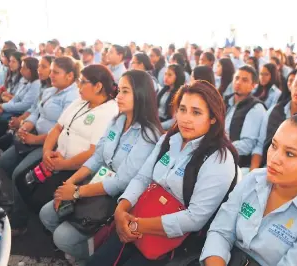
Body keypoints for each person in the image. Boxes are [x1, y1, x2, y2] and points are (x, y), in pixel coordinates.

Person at [86, 80, 238, 266]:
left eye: (196, 112)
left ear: (213, 118)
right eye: (182, 109)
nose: (186, 118)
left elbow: (194, 218)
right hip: (140, 216)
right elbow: (143, 177)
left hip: (172, 241)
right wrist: (121, 209)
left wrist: (137, 224)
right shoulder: (170, 139)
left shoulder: (219, 160)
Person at [39, 70, 163, 264]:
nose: (118, 96)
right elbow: (97, 157)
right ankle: (79, 250)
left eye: (125, 91)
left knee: (62, 237)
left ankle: (88, 254)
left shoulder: (149, 135)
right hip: (94, 184)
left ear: (141, 94)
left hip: (118, 199)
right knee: (47, 213)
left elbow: (121, 181)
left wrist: (77, 192)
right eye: (119, 90)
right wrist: (68, 184)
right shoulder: (117, 120)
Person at [201, 113, 297, 266]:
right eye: (274, 145)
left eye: (289, 154)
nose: (274, 158)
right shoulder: (254, 179)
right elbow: (220, 231)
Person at [10, 64, 119, 235]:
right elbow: (57, 129)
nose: (78, 86)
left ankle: (42, 231)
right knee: (22, 179)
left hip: (76, 170)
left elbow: (93, 152)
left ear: (98, 86)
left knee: (39, 196)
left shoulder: (109, 111)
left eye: (83, 82)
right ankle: (30, 221)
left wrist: (63, 165)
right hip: (56, 158)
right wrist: (46, 152)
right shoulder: (80, 101)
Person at [0, 56, 81, 235]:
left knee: (19, 174)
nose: (51, 75)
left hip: (50, 146)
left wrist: (34, 140)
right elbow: (36, 112)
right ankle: (23, 200)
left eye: (56, 72)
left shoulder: (73, 98)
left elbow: (62, 131)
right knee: (5, 161)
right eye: (50, 71)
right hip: (33, 137)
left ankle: (20, 222)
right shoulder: (51, 91)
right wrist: (26, 124)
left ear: (69, 76)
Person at [250, 66, 297, 170]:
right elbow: (260, 145)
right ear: (290, 85)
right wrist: (253, 172)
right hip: (266, 169)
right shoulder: (274, 110)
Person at [0, 57, 41, 138]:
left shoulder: (36, 84)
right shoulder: (27, 81)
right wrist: (2, 107)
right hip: (13, 109)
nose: (21, 70)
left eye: (23, 68)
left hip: (20, 113)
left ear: (31, 70)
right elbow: (16, 98)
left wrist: (3, 106)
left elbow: (25, 105)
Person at [224, 65, 267, 169]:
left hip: (237, 163)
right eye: (237, 78)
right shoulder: (226, 101)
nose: (238, 82)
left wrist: (219, 147)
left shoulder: (256, 108)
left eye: (244, 80)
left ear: (253, 86)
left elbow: (247, 145)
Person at [157, 64, 185, 130]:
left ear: (177, 77)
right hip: (157, 120)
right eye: (165, 74)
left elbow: (174, 120)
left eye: (169, 75)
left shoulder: (179, 94)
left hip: (164, 125)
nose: (166, 77)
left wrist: (157, 126)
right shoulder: (164, 90)